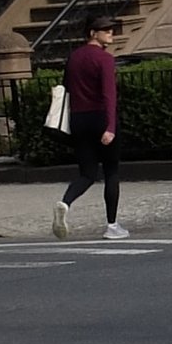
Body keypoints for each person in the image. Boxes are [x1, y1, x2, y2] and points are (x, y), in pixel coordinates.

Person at [54, 15, 128, 241]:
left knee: (87, 173)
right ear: (92, 33)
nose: (110, 33)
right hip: (100, 118)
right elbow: (109, 95)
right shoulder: (105, 59)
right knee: (111, 171)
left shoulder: (74, 58)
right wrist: (111, 127)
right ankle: (112, 226)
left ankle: (64, 203)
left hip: (78, 119)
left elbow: (66, 87)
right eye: (105, 30)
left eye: (111, 30)